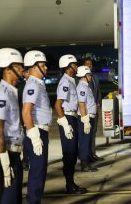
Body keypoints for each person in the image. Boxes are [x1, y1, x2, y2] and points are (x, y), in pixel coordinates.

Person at [0, 48, 24, 204]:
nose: (22, 69)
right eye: (18, 66)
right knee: (8, 199)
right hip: (6, 155)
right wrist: (4, 162)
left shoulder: (11, 91)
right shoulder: (1, 94)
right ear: (7, 69)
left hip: (14, 154)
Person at [54, 55, 87, 193]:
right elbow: (57, 105)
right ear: (68, 67)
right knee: (69, 154)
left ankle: (71, 183)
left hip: (72, 118)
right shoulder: (66, 82)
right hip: (67, 118)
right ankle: (69, 185)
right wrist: (65, 124)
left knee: (73, 154)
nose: (76, 67)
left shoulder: (71, 81)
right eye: (74, 64)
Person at [22, 50, 52, 204]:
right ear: (34, 67)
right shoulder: (33, 85)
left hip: (40, 131)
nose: (46, 67)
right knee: (37, 173)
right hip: (37, 131)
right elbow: (26, 112)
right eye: (42, 65)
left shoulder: (37, 84)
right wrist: (34, 136)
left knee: (40, 173)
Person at [76, 66, 98, 172]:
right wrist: (85, 120)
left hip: (89, 117)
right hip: (86, 118)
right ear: (84, 75)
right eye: (89, 75)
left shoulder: (86, 86)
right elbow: (81, 104)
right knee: (84, 141)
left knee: (88, 140)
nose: (90, 76)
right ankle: (84, 164)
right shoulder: (82, 87)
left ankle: (87, 161)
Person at [83, 58, 104, 161]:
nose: (89, 65)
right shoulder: (82, 79)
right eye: (87, 64)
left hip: (95, 109)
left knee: (94, 131)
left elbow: (98, 91)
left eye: (90, 64)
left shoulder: (94, 77)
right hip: (87, 110)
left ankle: (93, 153)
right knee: (87, 133)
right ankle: (87, 155)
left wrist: (98, 103)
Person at [18, 68, 30, 171]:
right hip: (24, 116)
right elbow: (18, 103)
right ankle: (26, 160)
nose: (28, 74)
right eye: (26, 72)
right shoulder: (21, 86)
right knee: (26, 140)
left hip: (34, 117)